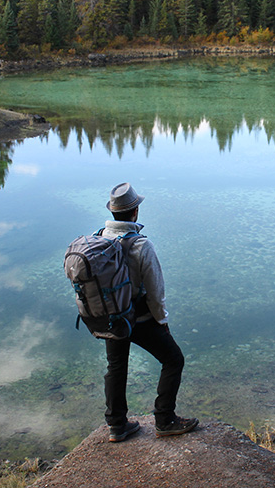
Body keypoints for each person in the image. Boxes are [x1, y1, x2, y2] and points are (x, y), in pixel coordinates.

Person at [100, 182, 198, 442]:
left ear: (113, 212)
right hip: (140, 320)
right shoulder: (141, 245)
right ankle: (165, 419)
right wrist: (162, 320)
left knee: (116, 366)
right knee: (174, 359)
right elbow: (155, 292)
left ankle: (117, 425)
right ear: (135, 213)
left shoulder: (99, 238)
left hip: (112, 318)